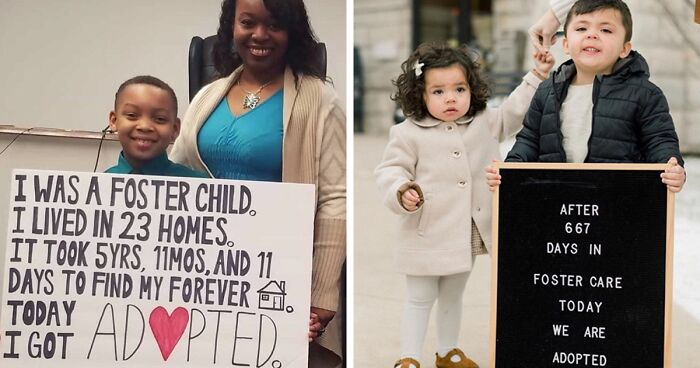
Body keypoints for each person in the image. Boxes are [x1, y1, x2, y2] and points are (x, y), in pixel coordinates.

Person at [169, 0, 346, 366]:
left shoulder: (319, 100)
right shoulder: (207, 96)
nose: (260, 35)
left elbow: (336, 198)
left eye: (275, 24)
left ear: (292, 31)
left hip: (278, 278)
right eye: (248, 22)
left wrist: (322, 292)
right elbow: (175, 179)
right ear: (231, 27)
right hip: (207, 274)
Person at [375, 42, 554, 368]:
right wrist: (402, 190)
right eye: (438, 91)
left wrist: (538, 74)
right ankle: (409, 357)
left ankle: (447, 352)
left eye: (459, 88)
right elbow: (390, 170)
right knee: (419, 298)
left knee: (453, 296)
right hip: (425, 233)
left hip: (466, 232)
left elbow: (516, 109)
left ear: (472, 89)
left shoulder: (484, 121)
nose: (451, 98)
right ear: (420, 94)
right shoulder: (408, 132)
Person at [487, 0, 686, 192]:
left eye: (605, 30)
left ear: (625, 49)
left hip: (617, 203)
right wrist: (510, 170)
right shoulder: (547, 91)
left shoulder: (644, 94)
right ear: (566, 44)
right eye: (582, 29)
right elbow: (529, 140)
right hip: (559, 202)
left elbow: (660, 140)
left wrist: (670, 166)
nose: (592, 35)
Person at [106, 75, 208, 178]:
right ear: (114, 121)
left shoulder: (199, 185)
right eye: (132, 115)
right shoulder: (99, 184)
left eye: (160, 119)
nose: (144, 126)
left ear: (175, 128)